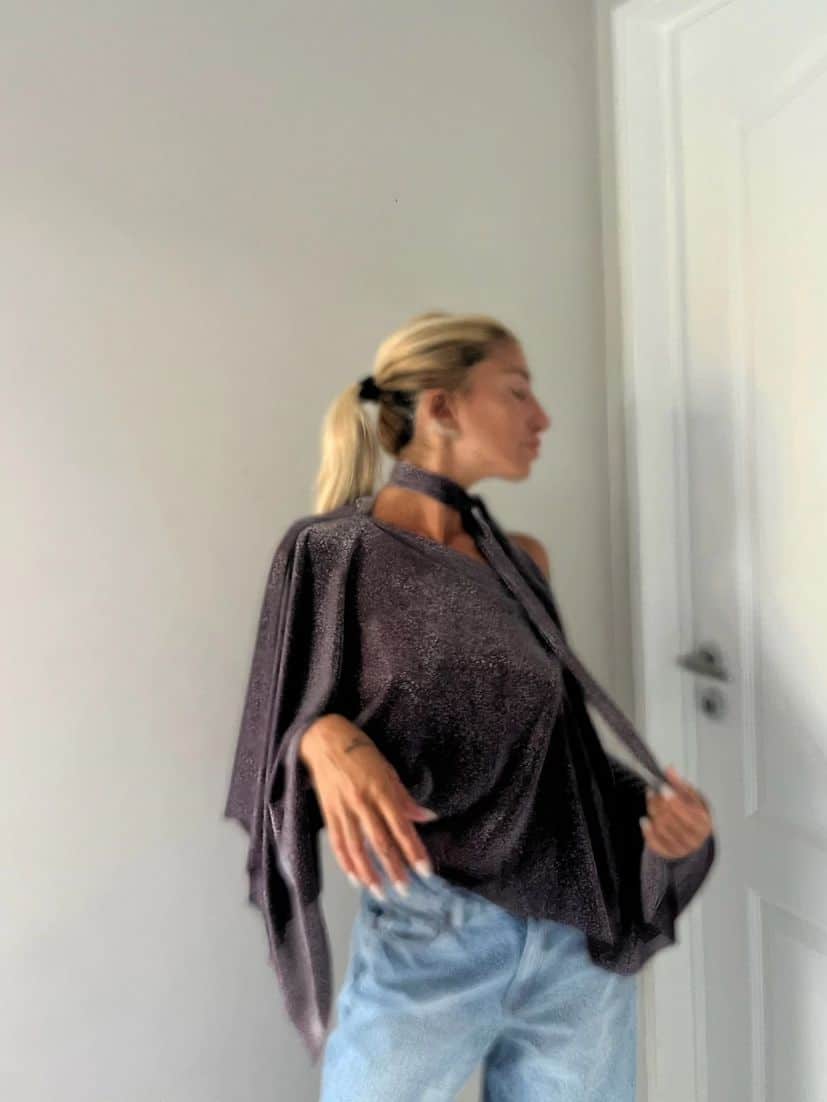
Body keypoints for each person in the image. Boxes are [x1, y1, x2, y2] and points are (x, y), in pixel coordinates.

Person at [224, 310, 716, 1100]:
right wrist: (322, 738)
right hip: (429, 934)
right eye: (517, 390)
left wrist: (659, 821)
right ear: (442, 407)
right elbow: (272, 731)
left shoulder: (522, 562)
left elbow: (557, 754)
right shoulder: (331, 554)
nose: (540, 417)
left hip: (574, 938)